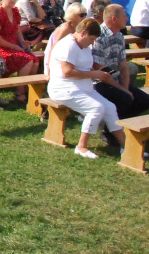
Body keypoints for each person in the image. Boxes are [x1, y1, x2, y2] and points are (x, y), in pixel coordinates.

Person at [48, 17, 128, 159]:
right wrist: (94, 74)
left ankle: (126, 147)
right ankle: (81, 146)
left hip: (83, 88)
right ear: (83, 33)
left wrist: (101, 73)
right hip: (63, 89)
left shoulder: (83, 45)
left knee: (109, 107)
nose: (92, 43)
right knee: (96, 108)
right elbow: (67, 72)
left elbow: (85, 66)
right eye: (91, 39)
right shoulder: (68, 45)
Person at [92, 4, 149, 128]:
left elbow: (123, 65)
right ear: (114, 19)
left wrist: (125, 88)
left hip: (114, 80)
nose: (127, 18)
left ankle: (118, 125)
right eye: (124, 16)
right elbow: (99, 69)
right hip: (99, 82)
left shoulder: (119, 36)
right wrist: (122, 90)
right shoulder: (98, 37)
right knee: (124, 99)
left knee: (146, 101)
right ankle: (111, 131)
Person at [0, 0, 40, 102]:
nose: (12, 0)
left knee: (35, 60)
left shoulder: (15, 11)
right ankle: (19, 92)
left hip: (13, 45)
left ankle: (27, 89)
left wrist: (22, 42)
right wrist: (15, 46)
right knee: (26, 60)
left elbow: (17, 30)